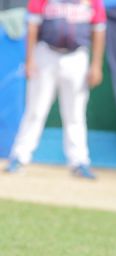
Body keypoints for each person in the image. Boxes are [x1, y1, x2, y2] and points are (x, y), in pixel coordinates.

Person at [4, 0, 107, 179]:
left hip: (77, 56)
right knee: (35, 111)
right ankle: (20, 157)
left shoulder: (93, 1)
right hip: (46, 54)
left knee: (75, 114)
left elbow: (98, 30)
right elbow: (33, 26)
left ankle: (79, 161)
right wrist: (29, 60)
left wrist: (96, 64)